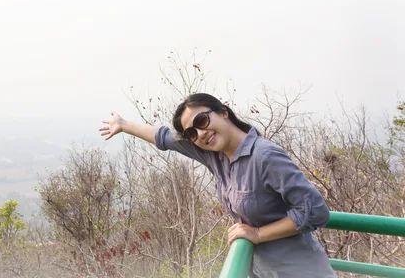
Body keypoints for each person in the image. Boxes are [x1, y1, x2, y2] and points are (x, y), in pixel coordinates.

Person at [99, 93, 336, 278]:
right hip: (264, 271)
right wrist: (123, 124)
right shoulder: (216, 156)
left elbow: (314, 211)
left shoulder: (265, 156)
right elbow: (165, 138)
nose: (201, 133)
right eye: (192, 132)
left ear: (223, 111)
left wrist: (257, 234)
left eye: (202, 120)